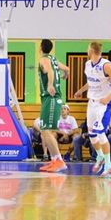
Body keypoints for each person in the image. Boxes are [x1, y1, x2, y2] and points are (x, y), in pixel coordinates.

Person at [74, 41, 111, 178]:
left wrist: (108, 98)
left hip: (104, 104)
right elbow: (91, 82)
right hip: (92, 102)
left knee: (100, 133)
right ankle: (100, 156)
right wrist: (81, 90)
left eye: (88, 49)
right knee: (91, 133)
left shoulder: (106, 65)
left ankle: (108, 166)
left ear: (91, 51)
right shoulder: (88, 64)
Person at [38, 39, 70, 173]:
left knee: (46, 130)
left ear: (41, 47)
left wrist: (50, 85)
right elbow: (67, 69)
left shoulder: (44, 59)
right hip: (49, 98)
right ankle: (54, 160)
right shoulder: (54, 59)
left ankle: (59, 161)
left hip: (51, 97)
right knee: (45, 131)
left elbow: (49, 71)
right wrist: (65, 75)